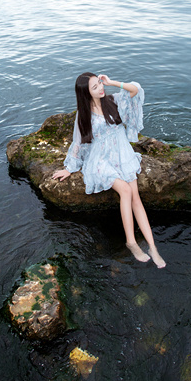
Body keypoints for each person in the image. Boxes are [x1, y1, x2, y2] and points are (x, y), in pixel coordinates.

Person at [53, 73, 166, 268]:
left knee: (136, 197)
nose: (100, 89)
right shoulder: (84, 114)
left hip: (122, 154)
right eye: (95, 87)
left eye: (100, 83)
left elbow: (135, 89)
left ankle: (153, 246)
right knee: (125, 190)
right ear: (85, 93)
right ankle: (130, 242)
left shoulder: (113, 100)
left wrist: (113, 83)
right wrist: (69, 168)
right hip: (101, 159)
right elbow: (78, 142)